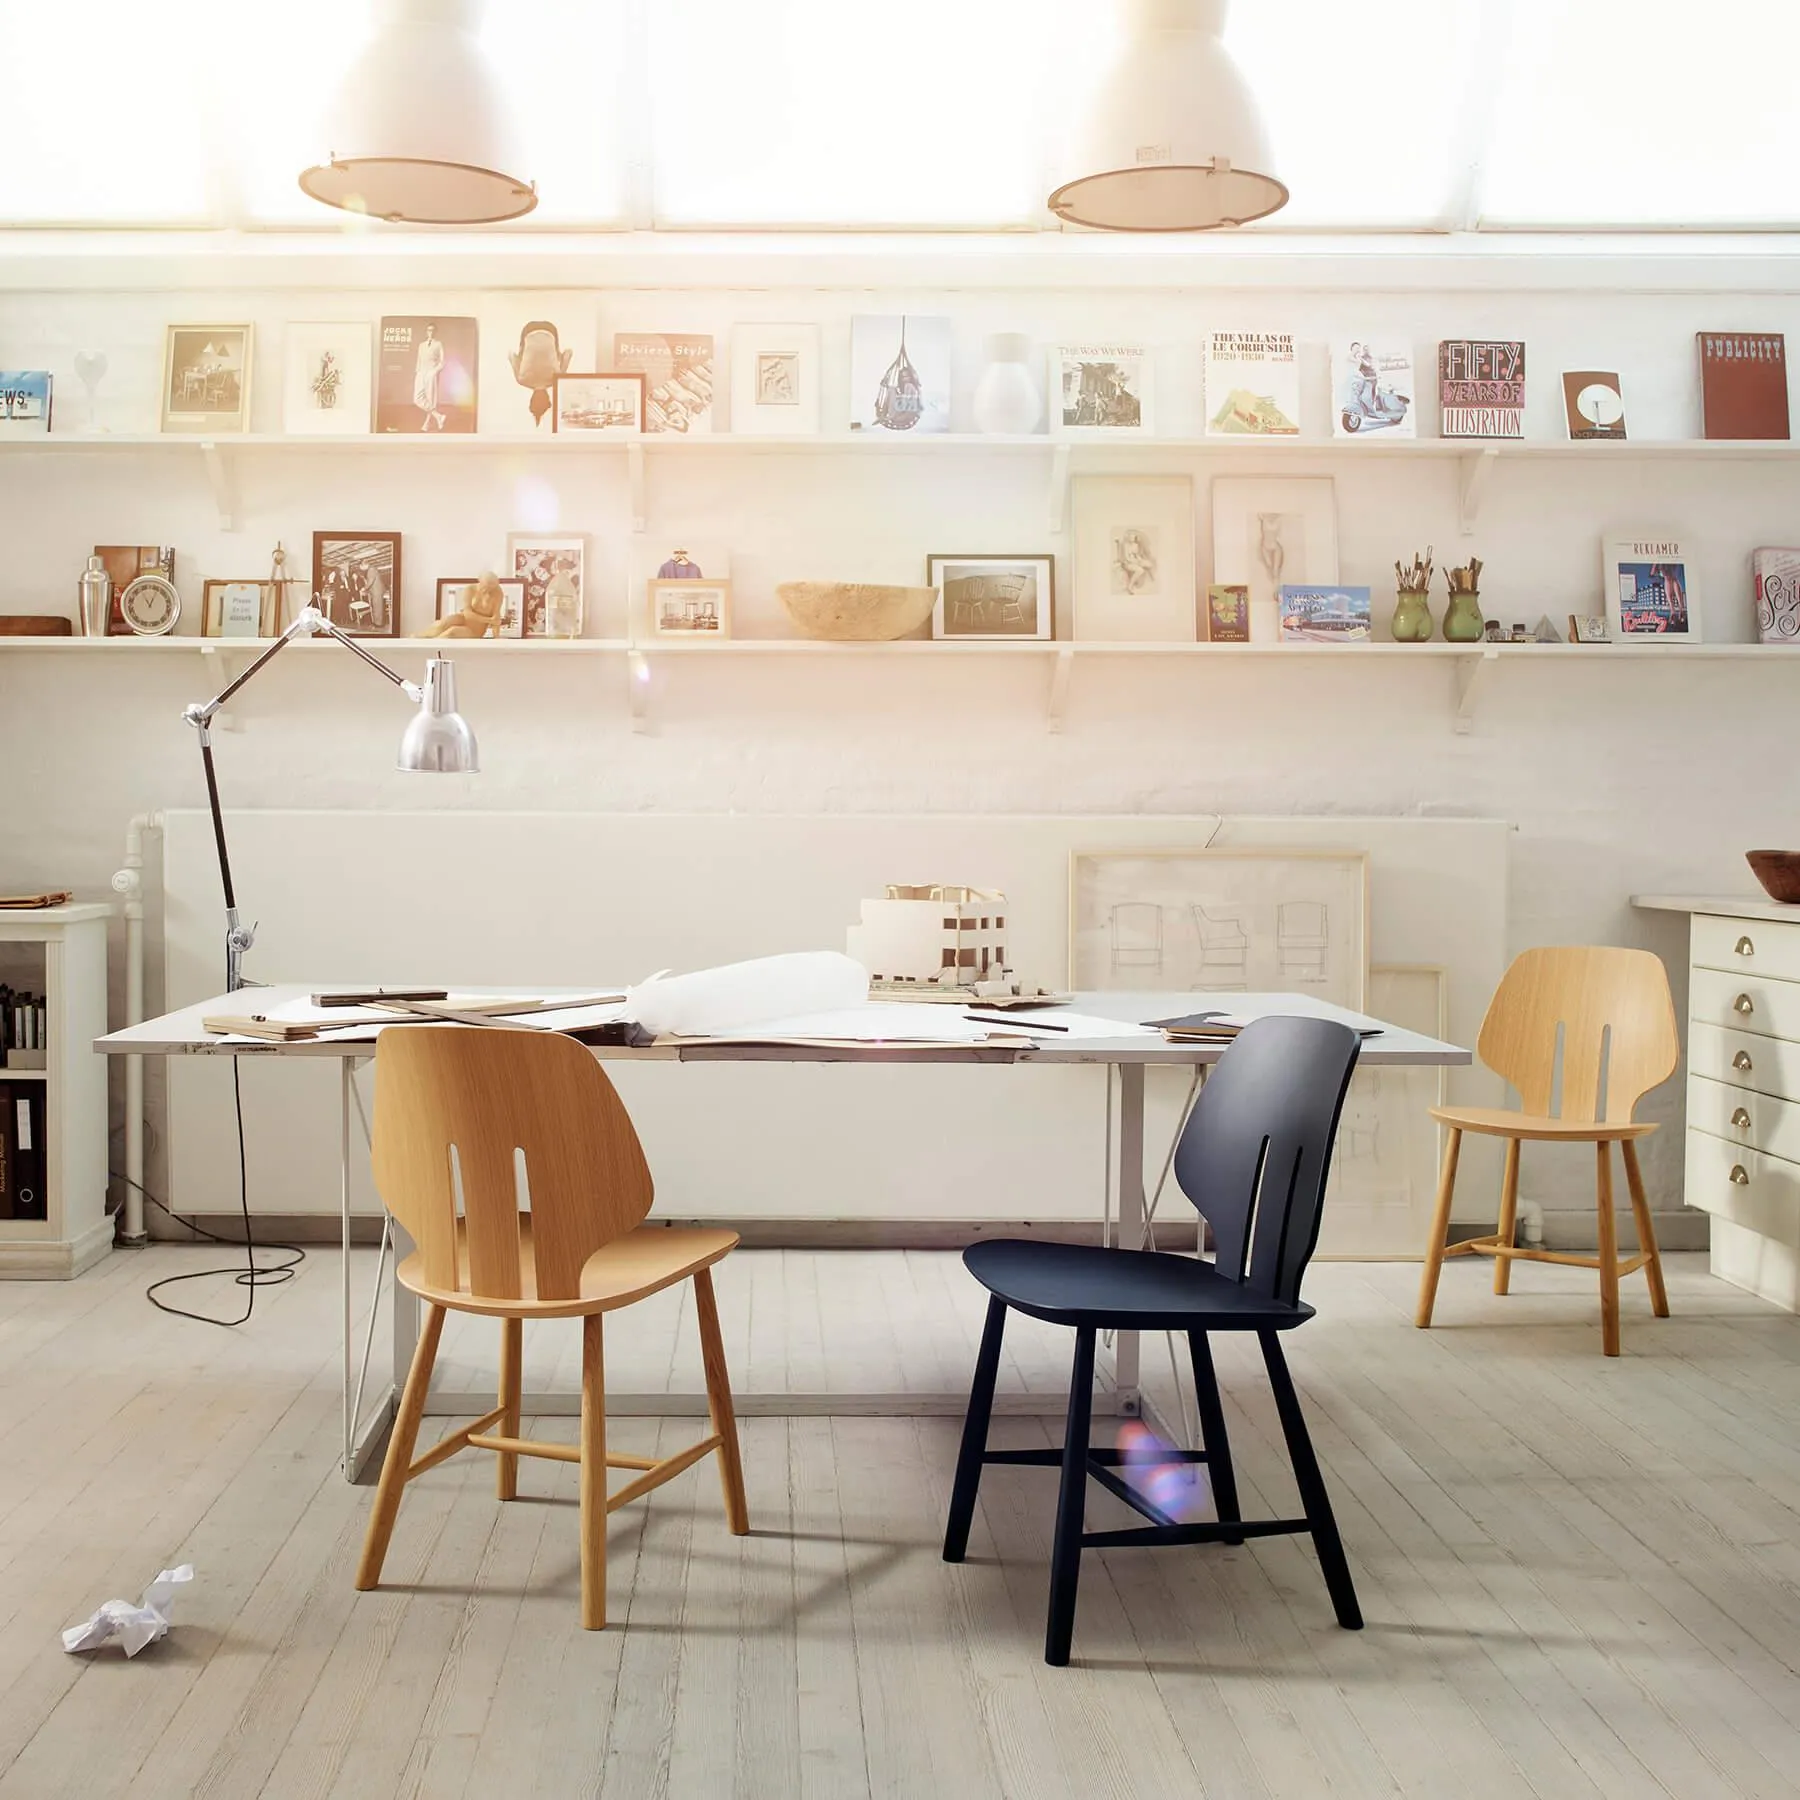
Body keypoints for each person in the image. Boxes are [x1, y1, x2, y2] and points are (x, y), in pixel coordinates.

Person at [413, 323, 446, 432]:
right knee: (417, 399)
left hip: (431, 374)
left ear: (435, 332)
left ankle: (427, 424)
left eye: (432, 330)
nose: (430, 332)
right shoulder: (421, 345)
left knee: (430, 399)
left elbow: (442, 362)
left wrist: (434, 372)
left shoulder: (439, 344)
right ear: (426, 332)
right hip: (421, 373)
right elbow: (419, 359)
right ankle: (438, 416)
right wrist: (418, 371)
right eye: (428, 330)